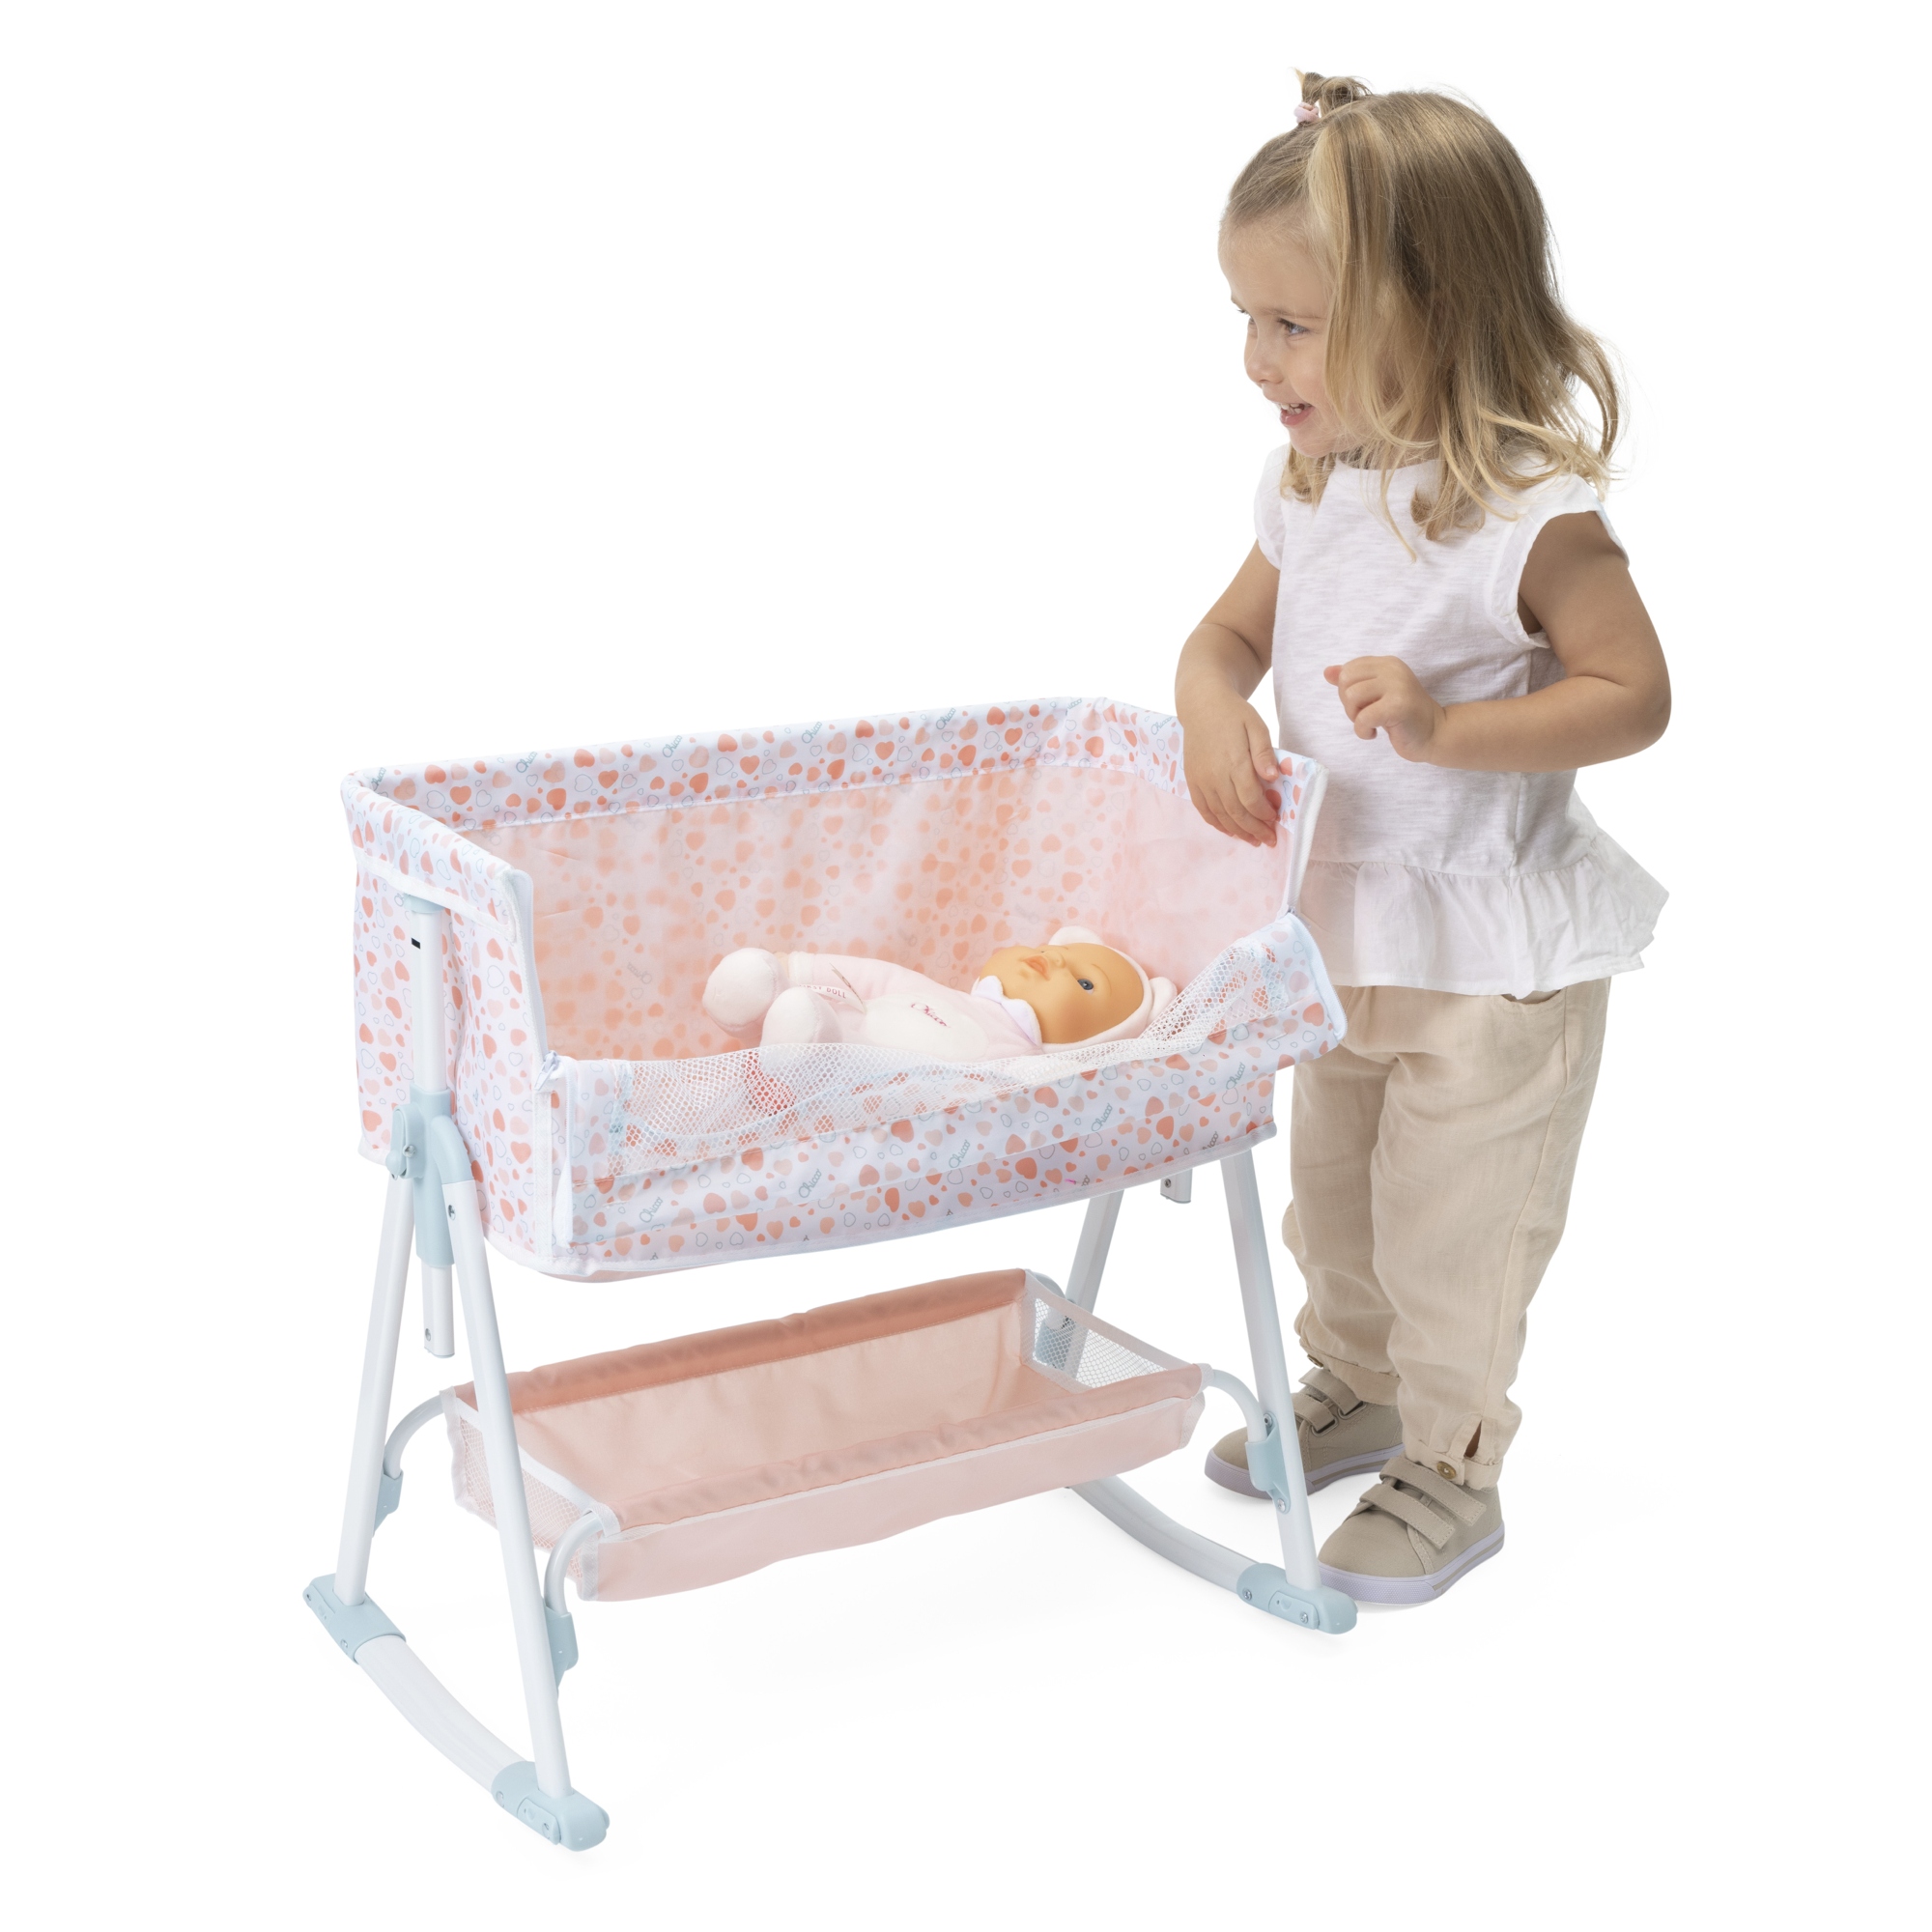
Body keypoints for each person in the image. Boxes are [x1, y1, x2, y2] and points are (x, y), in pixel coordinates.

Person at [1175, 73, 1669, 1605]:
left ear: (1432, 313)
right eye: (1247, 317)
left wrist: (1450, 728)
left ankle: (1452, 1463)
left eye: (1294, 323)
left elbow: (1632, 695)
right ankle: (1359, 1385)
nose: (1257, 358)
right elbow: (1219, 641)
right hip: (1340, 932)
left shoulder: (1529, 512)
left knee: (1458, 1230)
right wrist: (1209, 710)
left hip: (1488, 963)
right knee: (1335, 1202)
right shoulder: (1311, 487)